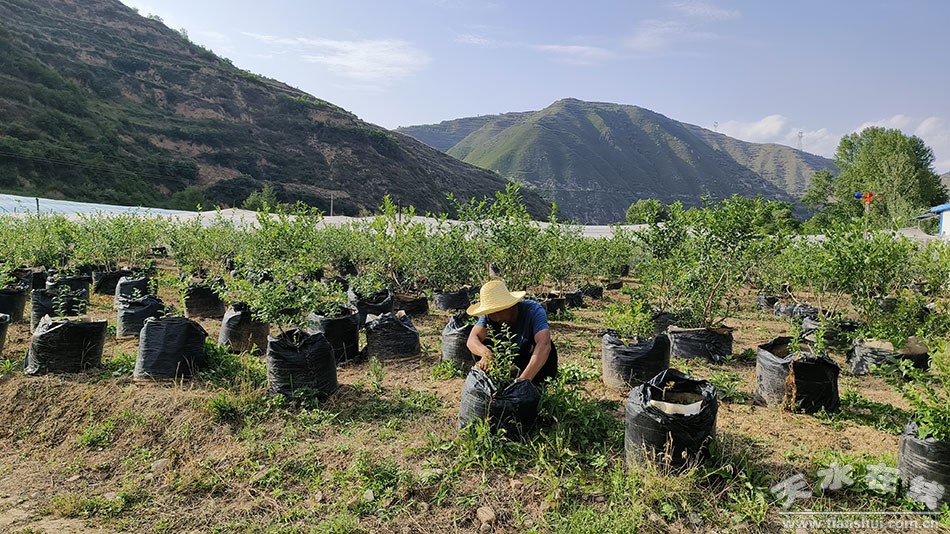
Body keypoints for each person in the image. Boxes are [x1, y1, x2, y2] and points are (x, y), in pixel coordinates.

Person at [466, 279, 558, 386]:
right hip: (504, 360)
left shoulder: (533, 310)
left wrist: (523, 381)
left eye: (499, 311)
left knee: (547, 347)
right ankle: (496, 383)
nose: (497, 317)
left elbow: (544, 345)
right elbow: (472, 340)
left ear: (511, 305)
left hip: (527, 360)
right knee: (481, 346)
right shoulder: (487, 317)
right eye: (492, 313)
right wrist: (486, 354)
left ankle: (535, 385)